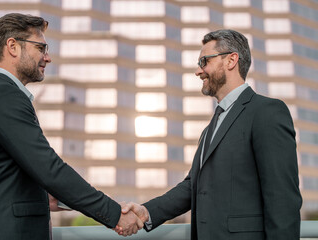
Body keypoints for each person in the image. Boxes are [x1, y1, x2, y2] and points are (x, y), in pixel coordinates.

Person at [0, 13, 142, 239]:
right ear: (13, 47)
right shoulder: (3, 95)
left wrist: (46, 196)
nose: (47, 57)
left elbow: (3, 177)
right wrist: (114, 214)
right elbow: (49, 168)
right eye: (41, 48)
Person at [118, 29, 302, 239]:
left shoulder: (267, 112)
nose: (198, 71)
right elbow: (192, 186)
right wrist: (147, 212)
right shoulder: (210, 128)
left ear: (231, 60)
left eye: (204, 61)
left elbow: (283, 200)